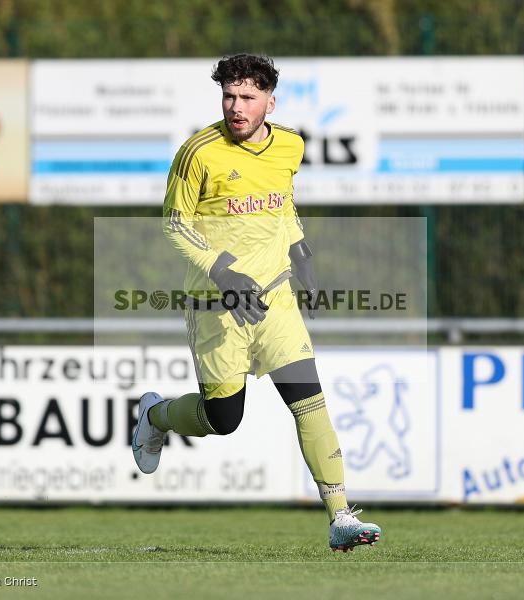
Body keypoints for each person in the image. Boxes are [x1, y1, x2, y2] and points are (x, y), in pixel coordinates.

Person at [131, 53, 380, 552]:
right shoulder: (197, 152)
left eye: (246, 97)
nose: (236, 106)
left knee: (309, 401)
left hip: (275, 297)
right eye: (228, 96)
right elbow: (175, 224)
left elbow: (283, 203)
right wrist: (222, 268)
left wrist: (301, 248)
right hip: (215, 304)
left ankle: (340, 517)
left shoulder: (290, 145)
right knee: (223, 419)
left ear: (270, 100)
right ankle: (156, 416)